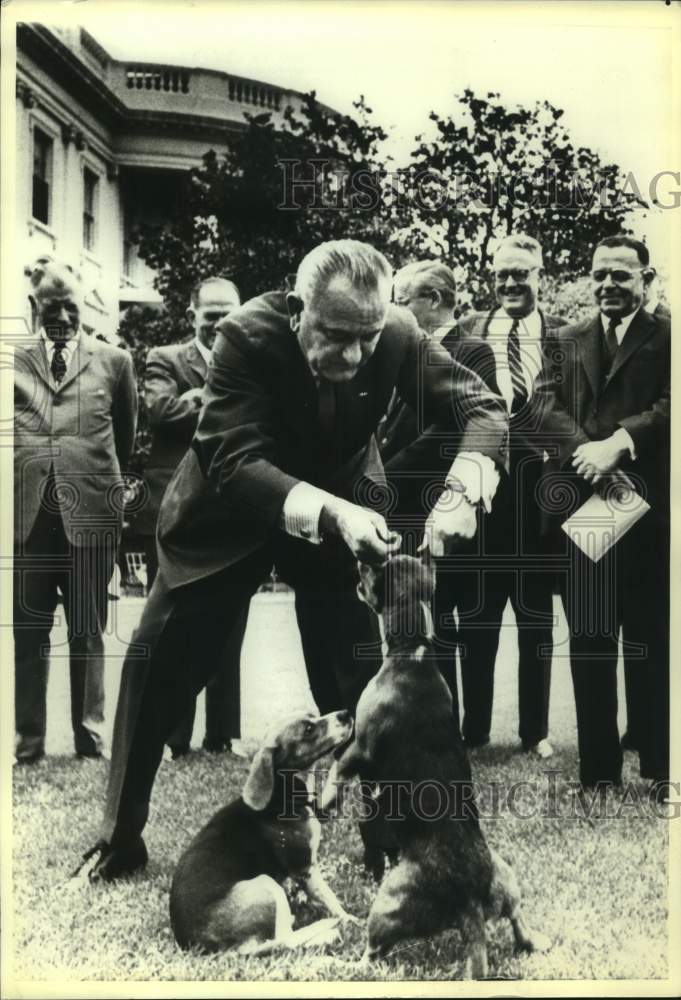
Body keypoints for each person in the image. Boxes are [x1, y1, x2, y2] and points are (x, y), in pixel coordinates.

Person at [76, 239, 509, 882]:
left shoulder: (397, 333)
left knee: (360, 676)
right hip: (231, 512)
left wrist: (464, 491)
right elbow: (231, 457)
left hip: (346, 512)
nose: (356, 354)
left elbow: (483, 408)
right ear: (298, 308)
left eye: (367, 336)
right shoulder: (246, 335)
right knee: (161, 661)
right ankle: (117, 839)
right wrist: (333, 512)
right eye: (336, 335)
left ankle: (389, 842)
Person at [539, 235, 670, 795]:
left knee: (654, 640)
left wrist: (622, 442)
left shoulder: (671, 336)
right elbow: (541, 405)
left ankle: (664, 768)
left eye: (622, 274)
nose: (609, 285)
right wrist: (589, 454)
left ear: (647, 277)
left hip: (652, 511)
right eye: (600, 274)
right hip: (587, 505)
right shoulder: (566, 338)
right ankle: (597, 773)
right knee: (591, 638)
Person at [13, 257, 138, 763]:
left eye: (71, 306)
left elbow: (124, 439)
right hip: (27, 519)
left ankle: (90, 738)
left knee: (88, 630)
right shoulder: (11, 360)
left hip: (91, 514)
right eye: (51, 307)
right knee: (29, 630)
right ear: (33, 307)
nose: (62, 316)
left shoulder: (115, 362)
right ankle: (29, 741)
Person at [450, 235, 567, 757]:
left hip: (539, 497)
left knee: (536, 618)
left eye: (522, 273)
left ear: (540, 274)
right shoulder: (468, 332)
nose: (511, 284)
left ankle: (535, 733)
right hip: (484, 489)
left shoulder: (565, 337)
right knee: (478, 618)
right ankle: (474, 731)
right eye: (502, 275)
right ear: (490, 276)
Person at [381, 260, 497, 732]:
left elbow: (450, 428)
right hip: (403, 506)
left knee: (455, 610)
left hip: (444, 502)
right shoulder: (398, 351)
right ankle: (436, 718)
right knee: (424, 616)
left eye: (401, 301)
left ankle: (472, 725)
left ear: (432, 299)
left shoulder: (474, 350)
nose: (393, 310)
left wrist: (383, 471)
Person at [136, 276, 248, 758]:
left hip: (231, 507)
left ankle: (224, 735)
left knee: (231, 625)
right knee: (173, 626)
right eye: (211, 314)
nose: (221, 322)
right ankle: (172, 736)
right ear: (192, 316)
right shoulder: (164, 358)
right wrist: (219, 396)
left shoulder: (252, 359)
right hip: (175, 513)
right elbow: (160, 411)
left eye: (230, 313)